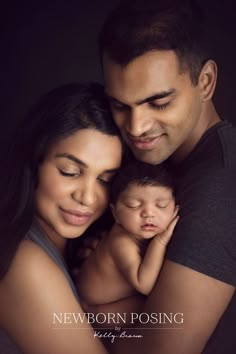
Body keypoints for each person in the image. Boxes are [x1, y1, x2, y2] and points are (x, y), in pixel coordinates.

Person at [98, 0, 236, 353]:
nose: (137, 127)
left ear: (204, 82)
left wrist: (88, 313)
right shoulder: (151, 157)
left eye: (158, 103)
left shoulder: (221, 185)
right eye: (119, 105)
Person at [0, 82, 123, 354]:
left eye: (105, 180)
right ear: (35, 162)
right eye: (70, 171)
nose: (88, 198)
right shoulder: (23, 262)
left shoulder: (83, 253)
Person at [76, 161, 178, 320]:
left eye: (161, 205)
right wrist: (160, 242)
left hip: (115, 300)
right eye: (133, 205)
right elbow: (144, 284)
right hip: (98, 310)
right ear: (115, 212)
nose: (149, 213)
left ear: (175, 208)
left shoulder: (134, 232)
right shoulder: (121, 241)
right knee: (156, 304)